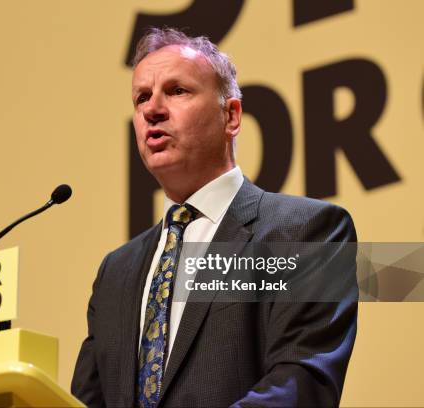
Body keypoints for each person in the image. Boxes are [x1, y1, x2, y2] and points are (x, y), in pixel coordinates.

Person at [72, 27, 358, 407]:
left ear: (232, 115)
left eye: (177, 91)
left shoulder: (308, 231)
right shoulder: (115, 274)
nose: (152, 109)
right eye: (142, 97)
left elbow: (302, 380)